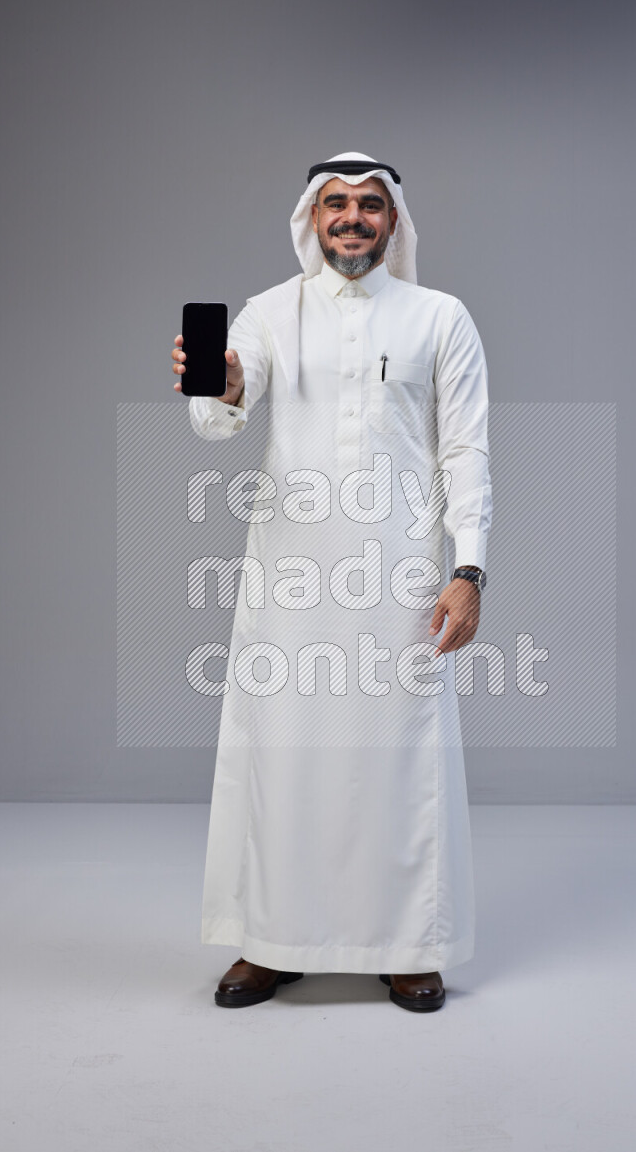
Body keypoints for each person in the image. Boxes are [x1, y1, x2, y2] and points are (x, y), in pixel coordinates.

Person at [171, 152, 492, 1012]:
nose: (352, 218)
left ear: (394, 222)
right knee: (285, 755)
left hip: (401, 573)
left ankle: (408, 944)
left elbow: (465, 450)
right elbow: (220, 409)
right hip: (293, 578)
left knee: (396, 757)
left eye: (371, 206)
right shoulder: (273, 311)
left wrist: (470, 568)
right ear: (313, 218)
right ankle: (274, 942)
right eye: (336, 205)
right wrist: (226, 381)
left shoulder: (440, 317)